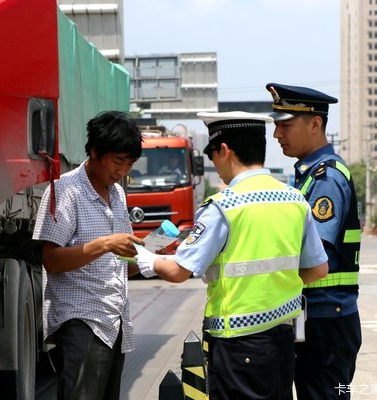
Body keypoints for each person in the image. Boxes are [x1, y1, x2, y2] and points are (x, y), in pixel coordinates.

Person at [135, 111, 329, 400]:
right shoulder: (295, 200)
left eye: (213, 156)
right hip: (282, 340)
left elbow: (178, 272)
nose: (216, 165)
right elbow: (318, 270)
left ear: (224, 150)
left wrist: (147, 259)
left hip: (237, 346)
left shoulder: (223, 207)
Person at [33, 111, 145, 400]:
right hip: (82, 322)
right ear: (94, 151)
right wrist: (106, 243)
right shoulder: (66, 190)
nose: (122, 170)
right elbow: (52, 260)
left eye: (129, 164)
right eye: (118, 161)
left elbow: (123, 266)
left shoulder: (117, 194)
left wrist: (149, 257)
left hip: (115, 320)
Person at [266, 83, 362, 400]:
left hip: (327, 320)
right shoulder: (309, 175)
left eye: (285, 125)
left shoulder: (326, 178)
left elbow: (317, 258)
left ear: (315, 124)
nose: (277, 134)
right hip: (317, 316)